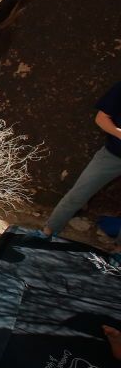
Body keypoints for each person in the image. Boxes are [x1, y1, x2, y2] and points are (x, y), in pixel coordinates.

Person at [35, 81, 121, 254]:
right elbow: (101, 119)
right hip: (112, 155)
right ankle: (47, 231)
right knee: (79, 192)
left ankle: (119, 251)